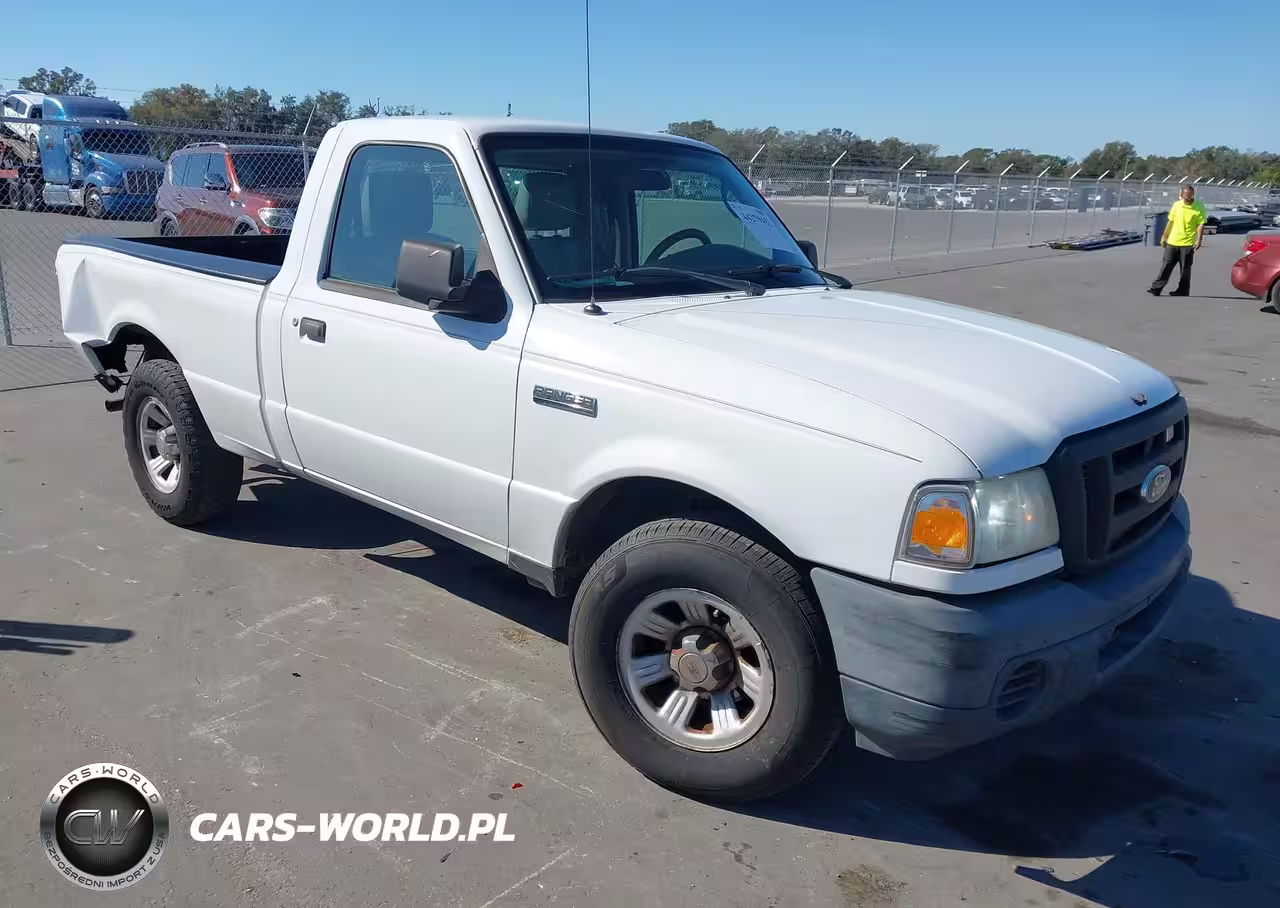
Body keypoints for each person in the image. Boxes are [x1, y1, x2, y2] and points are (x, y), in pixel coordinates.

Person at [1147, 184, 1206, 297]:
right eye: (1185, 196)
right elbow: (1171, 221)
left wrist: (1199, 240)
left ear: (1193, 194)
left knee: (1185, 269)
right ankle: (1157, 288)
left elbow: (1200, 224)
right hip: (1173, 242)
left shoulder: (1199, 207)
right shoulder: (1176, 206)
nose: (1187, 198)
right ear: (1181, 195)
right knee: (1166, 265)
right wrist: (1164, 235)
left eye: (1189, 196)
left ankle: (1183, 290)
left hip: (1187, 243)